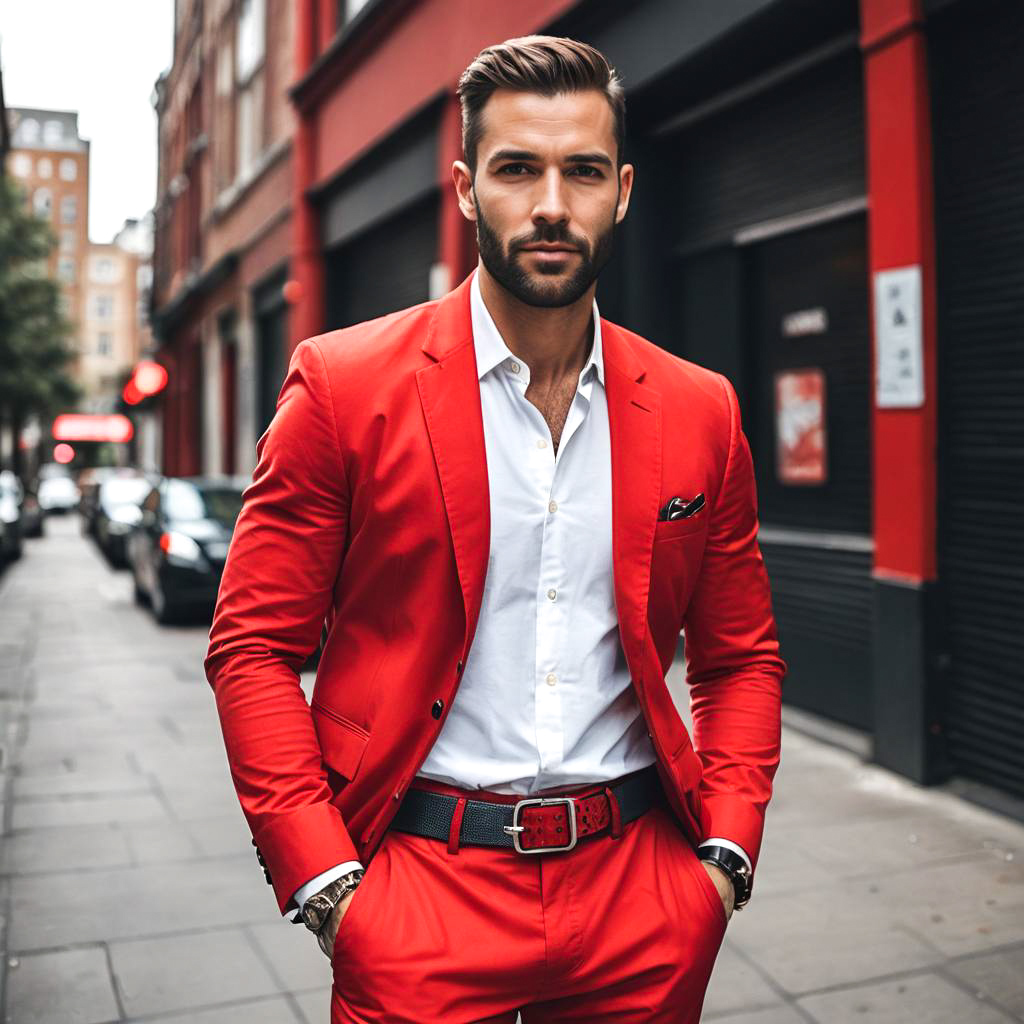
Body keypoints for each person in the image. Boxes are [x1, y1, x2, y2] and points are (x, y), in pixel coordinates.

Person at [205, 34, 786, 1024]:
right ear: (469, 189)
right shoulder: (341, 387)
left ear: (625, 190)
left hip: (639, 892)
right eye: (518, 169)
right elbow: (254, 647)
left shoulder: (700, 408)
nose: (552, 203)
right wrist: (329, 887)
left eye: (583, 171)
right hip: (417, 887)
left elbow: (739, 657)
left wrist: (722, 859)